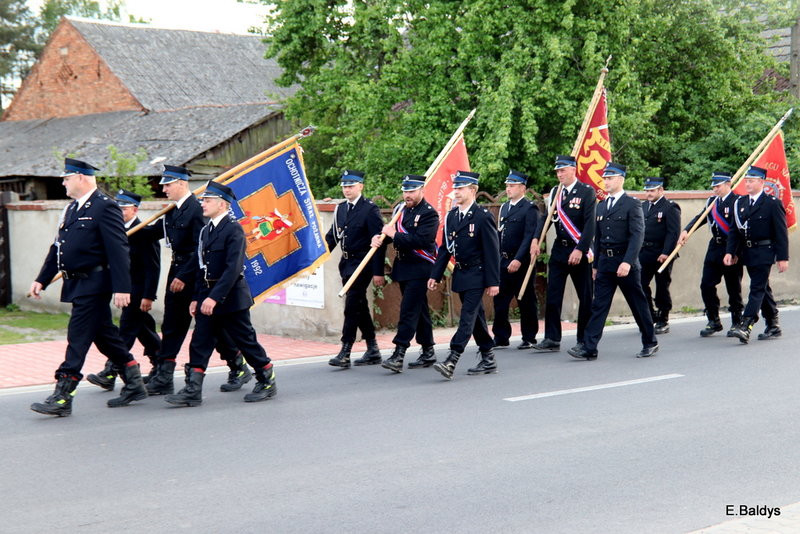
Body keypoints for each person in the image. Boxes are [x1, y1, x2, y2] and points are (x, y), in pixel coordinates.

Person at [29, 158, 147, 416]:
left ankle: (63, 395)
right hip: (75, 283)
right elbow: (58, 248)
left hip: (95, 283)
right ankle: (134, 379)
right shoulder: (71, 209)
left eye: (66, 178)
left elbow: (118, 250)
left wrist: (122, 287)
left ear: (81, 177)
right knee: (104, 335)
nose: (63, 182)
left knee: (78, 337)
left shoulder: (106, 207)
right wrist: (42, 279)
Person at [165, 181, 276, 406]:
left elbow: (233, 269)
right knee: (200, 342)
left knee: (246, 341)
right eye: (203, 200)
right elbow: (201, 267)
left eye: (207, 200)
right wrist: (197, 298)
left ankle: (266, 379)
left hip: (231, 298)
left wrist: (214, 298)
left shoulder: (234, 229)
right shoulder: (206, 230)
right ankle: (193, 390)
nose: (203, 204)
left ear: (223, 204)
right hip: (207, 295)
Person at [144, 165, 249, 395]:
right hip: (177, 271)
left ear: (182, 184)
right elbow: (152, 233)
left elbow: (203, 250)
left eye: (168, 184)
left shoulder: (197, 209)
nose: (163, 189)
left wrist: (184, 275)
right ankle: (164, 375)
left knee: (211, 327)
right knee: (172, 324)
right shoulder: (172, 211)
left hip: (195, 276)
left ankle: (238, 365)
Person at [568, 163, 659, 360]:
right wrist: (596, 265)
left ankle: (650, 341)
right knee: (598, 305)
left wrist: (628, 262)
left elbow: (637, 235)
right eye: (605, 178)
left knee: (637, 304)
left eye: (610, 178)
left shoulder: (631, 204)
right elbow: (598, 238)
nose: (606, 182)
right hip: (606, 264)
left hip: (625, 262)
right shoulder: (601, 206)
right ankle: (589, 347)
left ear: (621, 179)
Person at [428, 171, 500, 380]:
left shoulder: (483, 216)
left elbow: (492, 251)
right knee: (476, 318)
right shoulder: (452, 216)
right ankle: (488, 357)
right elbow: (445, 249)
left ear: (473, 190)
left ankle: (452, 359)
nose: (456, 192)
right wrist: (436, 274)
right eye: (455, 188)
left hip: (478, 274)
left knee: (466, 318)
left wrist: (493, 281)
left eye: (460, 188)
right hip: (461, 273)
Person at [86, 190, 162, 391]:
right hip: (123, 288)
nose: (120, 212)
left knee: (126, 329)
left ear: (135, 209)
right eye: (117, 208)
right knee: (144, 330)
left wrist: (148, 295)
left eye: (124, 208)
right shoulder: (116, 230)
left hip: (138, 290)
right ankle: (162, 363)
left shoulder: (143, 231)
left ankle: (110, 371)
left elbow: (153, 267)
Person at [372, 175, 440, 372]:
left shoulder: (429, 214)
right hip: (403, 267)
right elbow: (390, 235)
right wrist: (379, 238)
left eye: (411, 191)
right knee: (419, 310)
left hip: (420, 268)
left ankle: (399, 353)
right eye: (405, 191)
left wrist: (394, 235)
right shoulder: (399, 210)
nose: (407, 195)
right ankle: (428, 351)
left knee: (408, 310)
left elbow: (422, 241)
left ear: (421, 191)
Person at [530, 155, 596, 353]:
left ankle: (584, 340)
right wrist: (536, 239)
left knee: (585, 297)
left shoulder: (586, 192)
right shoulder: (555, 192)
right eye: (557, 171)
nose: (559, 174)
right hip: (559, 250)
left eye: (562, 170)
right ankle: (551, 338)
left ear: (573, 170)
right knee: (553, 295)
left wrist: (580, 249)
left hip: (578, 250)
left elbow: (590, 225)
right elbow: (546, 218)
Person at [325, 170, 385, 368]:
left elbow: (380, 242)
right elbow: (333, 236)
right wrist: (318, 256)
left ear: (361, 186)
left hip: (363, 264)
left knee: (351, 304)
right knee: (359, 305)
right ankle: (373, 348)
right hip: (347, 262)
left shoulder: (370, 209)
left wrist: (378, 272)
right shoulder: (340, 209)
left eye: (351, 186)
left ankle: (345, 350)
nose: (347, 189)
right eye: (344, 186)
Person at [725, 166, 789, 343]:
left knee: (756, 288)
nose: (748, 184)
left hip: (765, 252)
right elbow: (734, 231)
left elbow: (780, 232)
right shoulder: (741, 203)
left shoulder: (772, 203)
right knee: (762, 288)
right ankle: (773, 323)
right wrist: (731, 251)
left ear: (761, 182)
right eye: (746, 181)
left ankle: (746, 325)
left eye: (751, 181)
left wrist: (782, 257)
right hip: (748, 252)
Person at [677, 172, 744, 337]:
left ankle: (737, 321)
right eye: (713, 186)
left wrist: (734, 252)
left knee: (733, 287)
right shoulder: (712, 201)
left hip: (732, 247)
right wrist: (686, 230)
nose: (715, 189)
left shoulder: (737, 201)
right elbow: (701, 217)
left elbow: (739, 229)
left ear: (728, 184)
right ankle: (713, 319)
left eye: (718, 186)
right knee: (706, 285)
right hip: (715, 246)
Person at [492, 170, 540, 349]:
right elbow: (500, 234)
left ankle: (529, 337)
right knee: (500, 300)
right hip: (503, 261)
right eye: (507, 186)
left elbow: (529, 236)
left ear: (522, 188)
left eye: (512, 186)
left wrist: (519, 259)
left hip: (522, 263)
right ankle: (501, 337)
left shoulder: (529, 208)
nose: (508, 189)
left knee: (526, 300)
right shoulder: (504, 207)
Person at [638, 177, 681, 334]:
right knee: (640, 284)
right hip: (645, 252)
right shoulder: (642, 207)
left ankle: (663, 318)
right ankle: (650, 315)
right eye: (647, 190)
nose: (649, 193)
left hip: (662, 254)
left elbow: (673, 232)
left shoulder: (670, 207)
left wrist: (666, 253)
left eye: (652, 190)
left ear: (661, 190)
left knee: (662, 286)